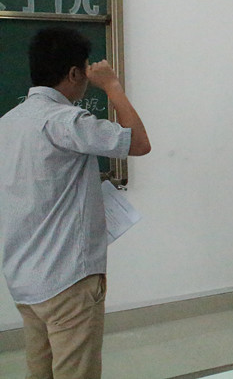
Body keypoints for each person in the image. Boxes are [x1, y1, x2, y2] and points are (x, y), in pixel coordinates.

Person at [0, 27, 151, 378]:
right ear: (73, 73)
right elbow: (139, 143)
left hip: (23, 278)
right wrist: (112, 86)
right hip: (67, 279)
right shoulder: (66, 120)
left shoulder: (7, 123)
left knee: (40, 372)